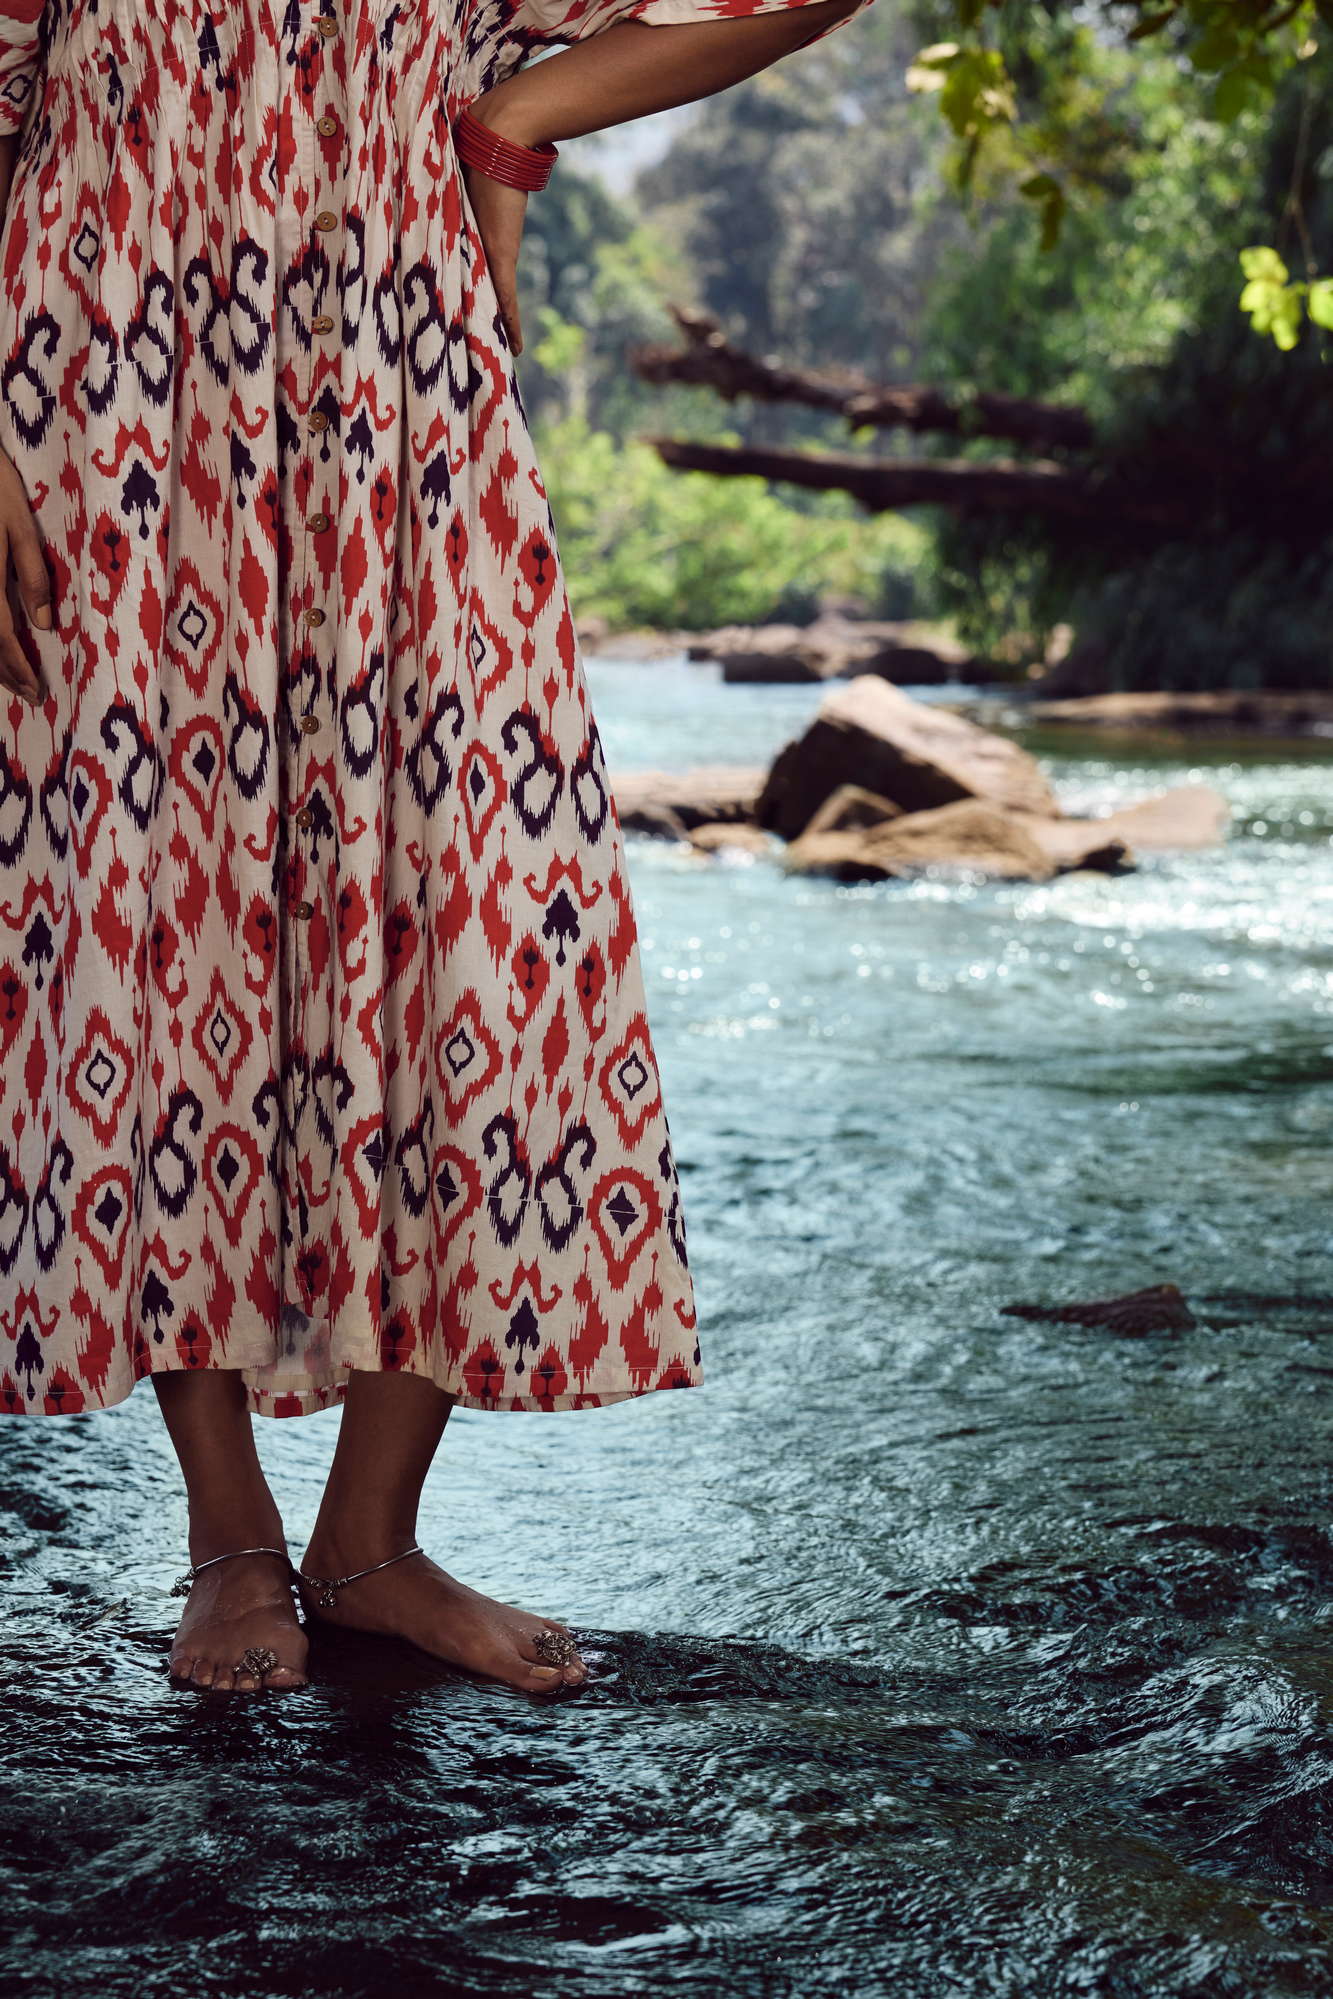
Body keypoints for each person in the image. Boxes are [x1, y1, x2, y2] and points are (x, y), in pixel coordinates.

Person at [0, 0, 869, 1696]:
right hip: (110, 415)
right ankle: (230, 1537)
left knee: (471, 910)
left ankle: (372, 1540)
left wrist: (506, 130)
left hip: (402, 406)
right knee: (158, 937)